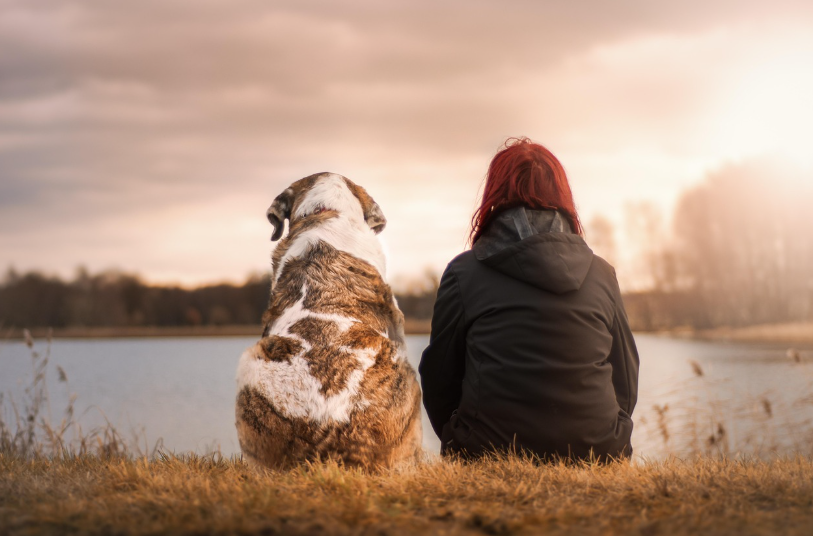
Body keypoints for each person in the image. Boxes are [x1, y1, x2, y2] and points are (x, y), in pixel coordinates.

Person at [419, 137, 639, 461]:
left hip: (486, 451)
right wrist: (609, 433)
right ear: (562, 196)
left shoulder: (463, 274)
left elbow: (439, 378)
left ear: (494, 195)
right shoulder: (602, 274)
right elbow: (626, 376)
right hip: (599, 451)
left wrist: (459, 438)